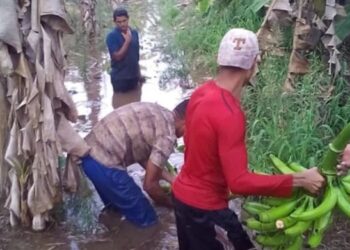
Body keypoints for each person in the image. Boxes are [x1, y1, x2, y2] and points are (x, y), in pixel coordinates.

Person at [172, 28, 325, 250]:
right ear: (253, 64)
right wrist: (299, 179)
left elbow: (196, 148)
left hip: (181, 199)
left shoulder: (200, 93)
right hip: (205, 209)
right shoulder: (230, 113)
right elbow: (239, 182)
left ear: (220, 58)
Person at [80, 100, 188, 227]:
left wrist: (172, 180)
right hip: (105, 163)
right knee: (149, 222)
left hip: (88, 153)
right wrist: (173, 205)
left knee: (114, 211)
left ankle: (114, 237)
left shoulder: (159, 111)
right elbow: (150, 186)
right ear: (187, 123)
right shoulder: (167, 137)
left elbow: (143, 156)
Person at [106, 7, 143, 109]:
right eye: (119, 22)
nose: (122, 24)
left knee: (136, 111)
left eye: (124, 21)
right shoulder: (111, 36)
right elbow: (117, 57)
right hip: (120, 80)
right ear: (114, 22)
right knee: (120, 110)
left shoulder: (134, 33)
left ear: (128, 19)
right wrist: (127, 42)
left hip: (134, 78)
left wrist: (139, 75)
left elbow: (136, 56)